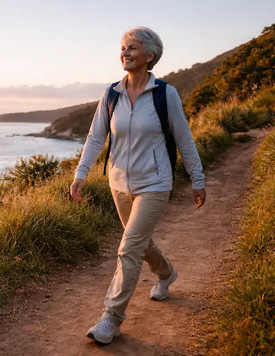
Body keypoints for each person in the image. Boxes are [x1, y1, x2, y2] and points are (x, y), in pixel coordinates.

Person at [70, 26, 206, 345]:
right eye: (122, 47)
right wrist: (80, 174)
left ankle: (111, 318)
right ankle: (167, 274)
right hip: (119, 183)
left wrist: (197, 179)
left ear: (150, 55)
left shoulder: (165, 94)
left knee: (129, 247)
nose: (125, 52)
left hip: (155, 183)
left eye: (132, 47)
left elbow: (184, 139)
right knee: (141, 243)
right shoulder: (111, 94)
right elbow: (95, 137)